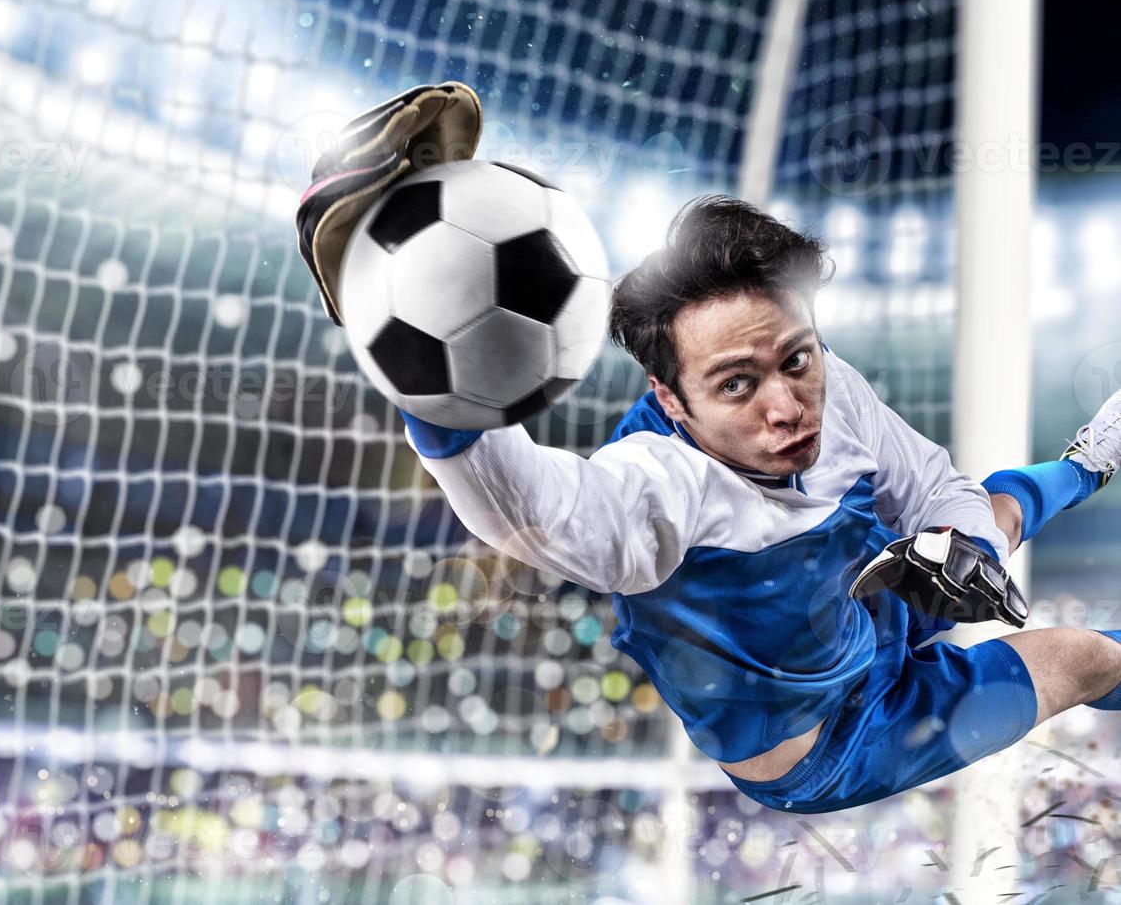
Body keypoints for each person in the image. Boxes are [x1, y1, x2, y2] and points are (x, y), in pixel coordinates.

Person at [296, 84, 1121, 813]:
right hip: (841, 739)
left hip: (864, 595)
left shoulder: (827, 384)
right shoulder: (650, 499)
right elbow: (518, 503)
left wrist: (966, 542)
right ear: (668, 398)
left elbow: (931, 483)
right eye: (733, 385)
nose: (786, 407)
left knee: (989, 517)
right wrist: (421, 366)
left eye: (794, 359)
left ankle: (1090, 461)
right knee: (1087, 657)